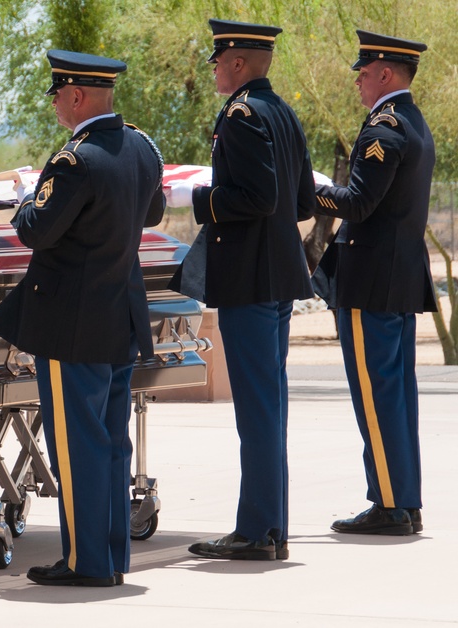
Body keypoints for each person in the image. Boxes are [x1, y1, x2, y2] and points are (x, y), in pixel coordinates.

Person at [0, 50, 165, 586]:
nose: (56, 105)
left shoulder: (74, 160)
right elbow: (152, 213)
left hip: (72, 322)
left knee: (76, 446)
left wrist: (22, 199)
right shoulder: (140, 148)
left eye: (59, 95)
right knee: (110, 443)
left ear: (78, 96)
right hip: (119, 316)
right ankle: (109, 559)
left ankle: (85, 563)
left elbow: (36, 230)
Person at [166, 19, 315, 561]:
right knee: (268, 405)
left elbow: (260, 197)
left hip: (250, 277)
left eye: (216, 61)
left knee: (256, 408)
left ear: (236, 63)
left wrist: (197, 198)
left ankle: (256, 532)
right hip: (276, 274)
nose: (213, 70)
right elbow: (301, 203)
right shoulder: (283, 112)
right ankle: (270, 526)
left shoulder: (243, 114)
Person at [312, 30, 435, 536]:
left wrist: (310, 190)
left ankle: (389, 505)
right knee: (396, 393)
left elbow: (360, 202)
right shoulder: (412, 120)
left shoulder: (385, 127)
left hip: (371, 280)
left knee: (377, 394)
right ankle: (403, 498)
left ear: (386, 73)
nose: (360, 82)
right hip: (396, 276)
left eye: (364, 73)